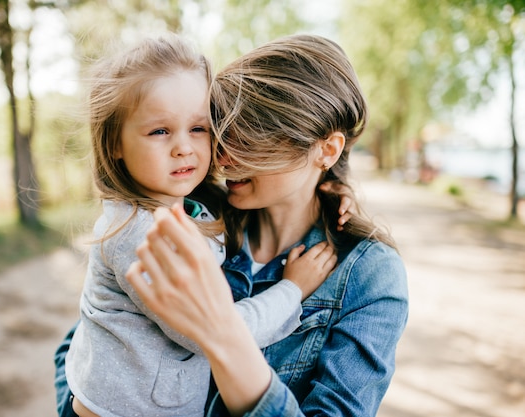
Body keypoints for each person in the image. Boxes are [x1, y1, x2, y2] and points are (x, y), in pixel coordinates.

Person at [127, 34, 409, 417]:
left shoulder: (370, 276)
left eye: (252, 139)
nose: (223, 157)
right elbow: (85, 339)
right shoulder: (192, 217)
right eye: (221, 132)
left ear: (326, 150)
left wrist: (223, 338)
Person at [60, 34, 339, 417]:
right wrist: (292, 290)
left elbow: (285, 182)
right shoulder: (139, 233)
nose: (183, 147)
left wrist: (329, 189)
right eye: (160, 131)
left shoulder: (192, 206)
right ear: (114, 143)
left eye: (198, 128)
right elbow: (214, 332)